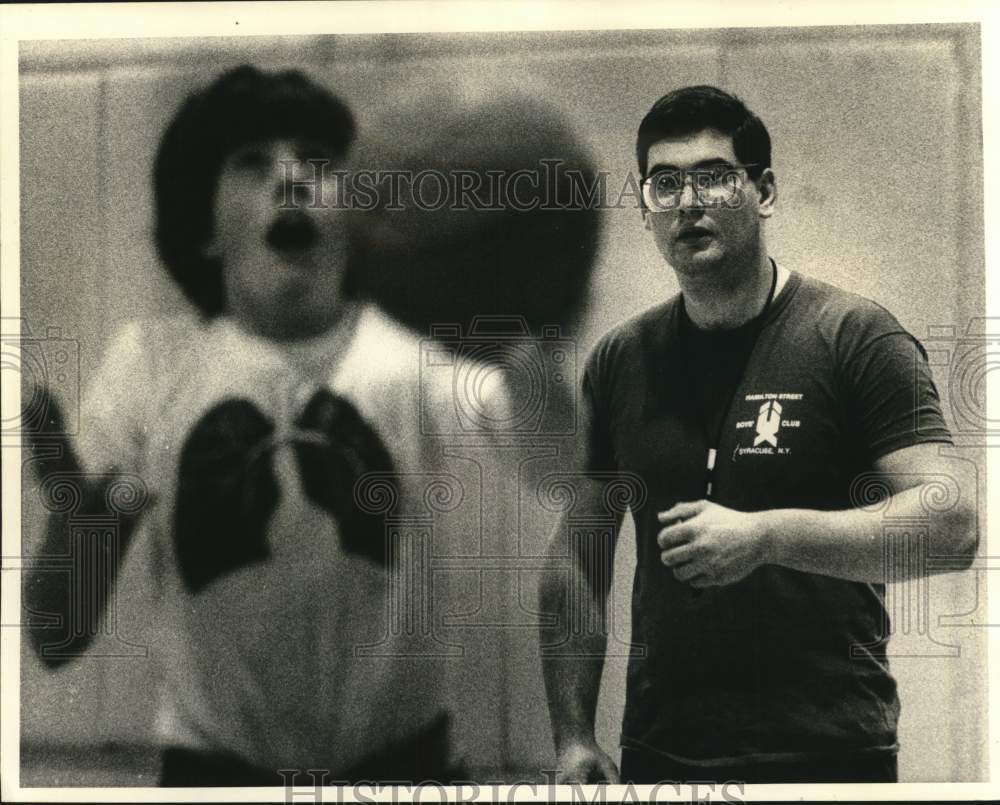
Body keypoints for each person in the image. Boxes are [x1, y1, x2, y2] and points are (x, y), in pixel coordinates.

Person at [23, 65, 493, 785]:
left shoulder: (420, 352)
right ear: (205, 230)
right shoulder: (150, 364)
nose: (291, 178)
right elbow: (56, 637)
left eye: (318, 161)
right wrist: (75, 529)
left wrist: (535, 317)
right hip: (214, 780)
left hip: (407, 772)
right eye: (252, 162)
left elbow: (567, 457)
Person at [538, 85, 978, 785]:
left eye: (713, 176)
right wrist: (571, 736)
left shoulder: (855, 337)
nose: (688, 202)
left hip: (830, 755)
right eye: (664, 183)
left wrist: (768, 536)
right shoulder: (621, 360)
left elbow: (952, 526)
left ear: (764, 191)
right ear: (646, 208)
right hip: (663, 754)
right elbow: (577, 554)